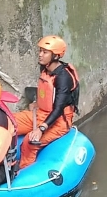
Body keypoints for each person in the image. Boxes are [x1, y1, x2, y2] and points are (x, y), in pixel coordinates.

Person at [15, 35, 80, 170]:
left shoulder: (63, 78)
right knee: (8, 122)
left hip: (59, 121)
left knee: (30, 141)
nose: (40, 55)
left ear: (55, 56)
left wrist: (41, 129)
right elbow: (46, 92)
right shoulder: (45, 68)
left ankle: (23, 170)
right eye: (40, 51)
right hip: (41, 113)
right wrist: (36, 101)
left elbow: (58, 108)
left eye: (45, 52)